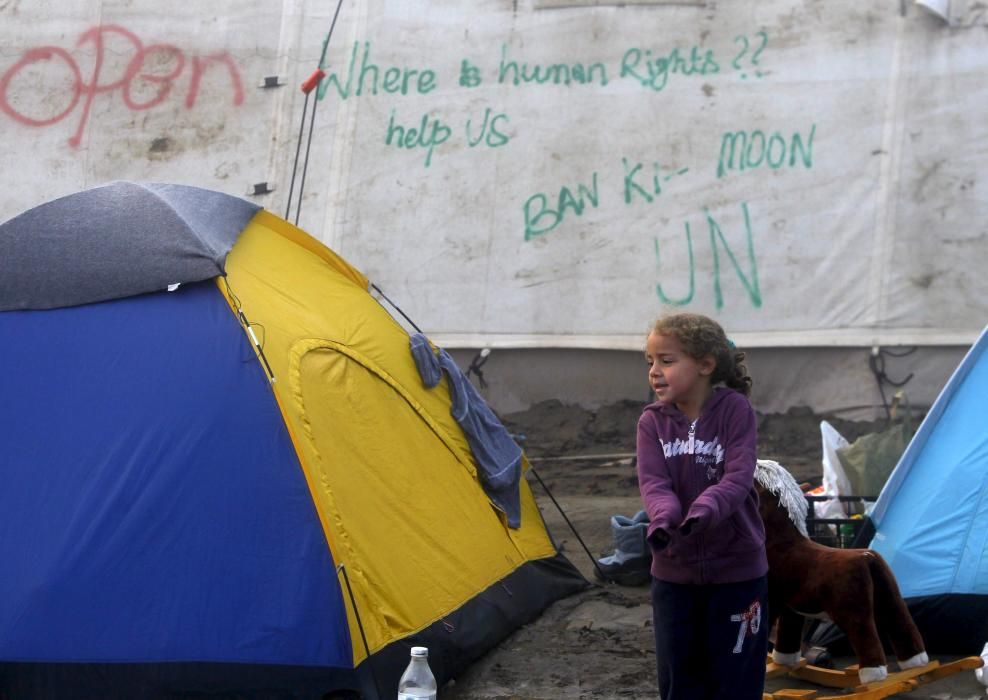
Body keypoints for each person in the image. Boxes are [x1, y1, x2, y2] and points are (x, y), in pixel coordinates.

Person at [636, 312, 768, 700]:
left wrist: (705, 509)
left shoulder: (735, 410)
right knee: (681, 680)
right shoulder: (651, 423)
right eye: (650, 362)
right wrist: (664, 518)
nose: (655, 372)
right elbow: (654, 483)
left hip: (738, 573)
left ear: (706, 365)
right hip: (674, 575)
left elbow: (738, 476)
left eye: (667, 360)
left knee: (736, 680)